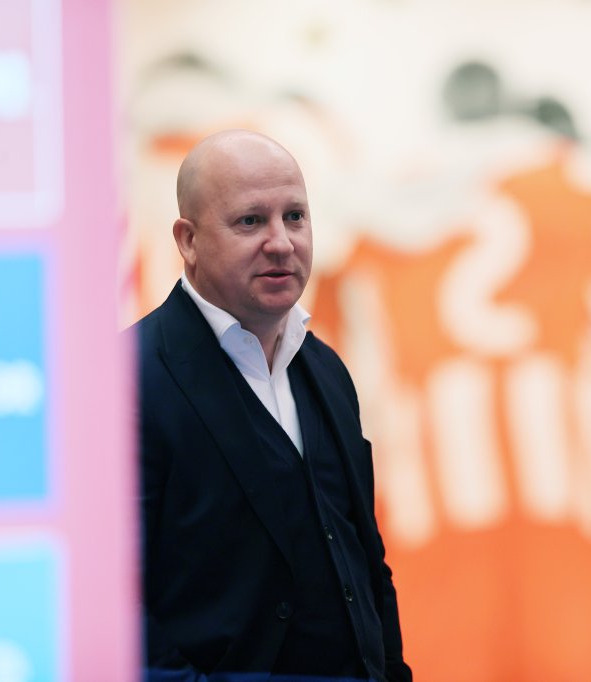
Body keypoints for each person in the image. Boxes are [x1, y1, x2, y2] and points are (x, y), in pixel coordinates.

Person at [134, 129, 412, 682]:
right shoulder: (128, 380)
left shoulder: (327, 370)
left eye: (295, 217)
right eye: (250, 221)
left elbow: (365, 562)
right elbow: (110, 599)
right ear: (188, 240)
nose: (281, 242)